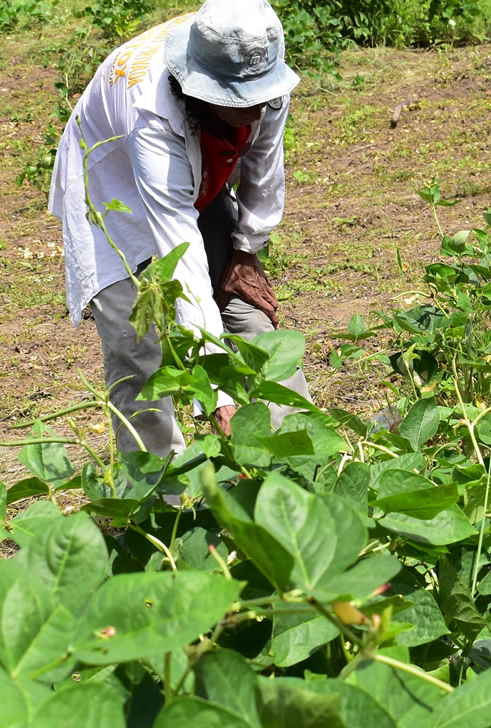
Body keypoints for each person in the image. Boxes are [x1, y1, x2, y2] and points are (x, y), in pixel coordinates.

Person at [49, 0, 311, 457]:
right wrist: (220, 395)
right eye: (240, 102)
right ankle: (162, 505)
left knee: (247, 311)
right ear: (202, 90)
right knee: (138, 349)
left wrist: (247, 250)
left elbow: (265, 165)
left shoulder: (262, 64)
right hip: (111, 192)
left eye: (260, 98)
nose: (255, 110)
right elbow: (181, 255)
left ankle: (301, 465)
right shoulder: (150, 111)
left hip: (190, 177)